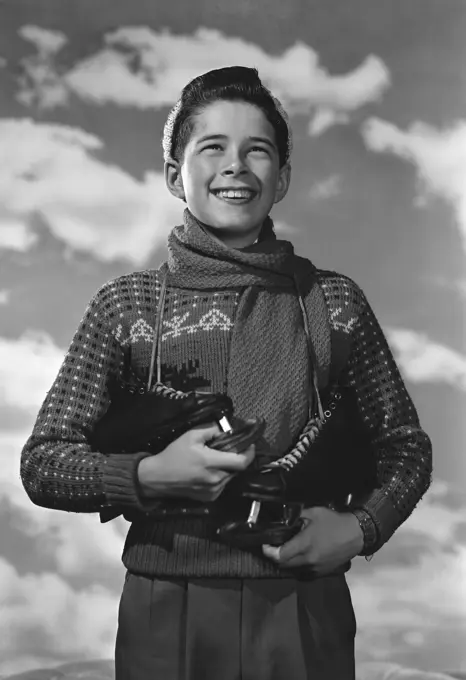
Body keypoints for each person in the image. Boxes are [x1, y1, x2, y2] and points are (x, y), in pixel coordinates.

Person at [20, 66, 432, 680]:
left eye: (257, 150)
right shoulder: (125, 306)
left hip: (303, 604)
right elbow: (43, 463)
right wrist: (151, 475)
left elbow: (406, 449)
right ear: (173, 175)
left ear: (283, 178)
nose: (235, 165)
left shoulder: (335, 303)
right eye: (211, 147)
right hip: (164, 605)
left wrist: (360, 528)